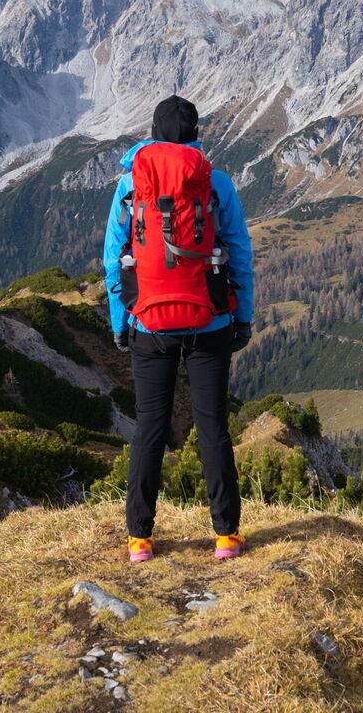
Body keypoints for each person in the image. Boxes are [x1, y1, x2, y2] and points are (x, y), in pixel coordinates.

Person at [103, 94, 254, 563]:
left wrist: (120, 321)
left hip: (149, 322)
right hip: (210, 319)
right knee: (212, 425)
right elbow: (239, 255)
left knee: (150, 425)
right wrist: (242, 316)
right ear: (195, 136)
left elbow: (113, 260)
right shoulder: (216, 184)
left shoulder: (130, 185)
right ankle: (226, 536)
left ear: (150, 134)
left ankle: (139, 538)